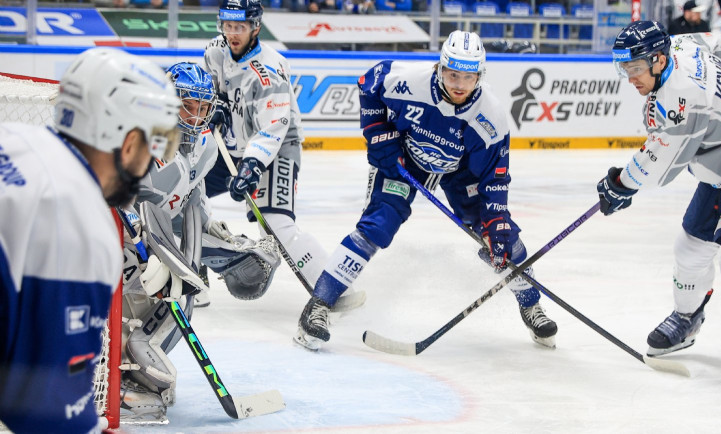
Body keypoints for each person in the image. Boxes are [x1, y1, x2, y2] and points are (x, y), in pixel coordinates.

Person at [294, 30, 558, 351]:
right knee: (377, 226)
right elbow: (369, 83)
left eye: (469, 77)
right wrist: (378, 132)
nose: (460, 85)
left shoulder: (491, 116)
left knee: (501, 237)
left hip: (460, 171)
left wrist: (495, 220)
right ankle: (319, 304)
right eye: (452, 74)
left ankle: (531, 303)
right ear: (439, 68)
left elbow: (494, 179)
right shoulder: (408, 81)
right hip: (406, 159)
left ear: (480, 75)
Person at [0, 47, 180, 433]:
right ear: (129, 144)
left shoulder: (14, 138)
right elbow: (44, 410)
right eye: (151, 146)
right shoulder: (81, 218)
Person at [117, 62, 280, 422]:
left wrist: (223, 244)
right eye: (189, 104)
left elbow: (191, 205)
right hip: (115, 248)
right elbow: (116, 196)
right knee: (120, 313)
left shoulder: (203, 147)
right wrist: (140, 247)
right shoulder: (141, 139)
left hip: (152, 249)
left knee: (182, 297)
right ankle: (111, 379)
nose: (197, 115)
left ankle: (133, 376)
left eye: (204, 107)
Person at [597, 21, 721, 357]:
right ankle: (687, 317)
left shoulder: (680, 101)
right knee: (691, 249)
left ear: (658, 60)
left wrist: (619, 185)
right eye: (625, 68)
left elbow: (658, 169)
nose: (630, 77)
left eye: (635, 68)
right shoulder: (681, 45)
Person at [203, 0, 329, 293]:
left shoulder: (269, 70)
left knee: (277, 227)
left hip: (277, 147)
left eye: (240, 27)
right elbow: (210, 89)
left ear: (255, 27)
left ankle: (332, 287)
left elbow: (274, 127)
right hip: (230, 145)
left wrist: (251, 166)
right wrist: (214, 104)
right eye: (228, 26)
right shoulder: (214, 50)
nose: (232, 33)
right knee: (183, 194)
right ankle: (193, 273)